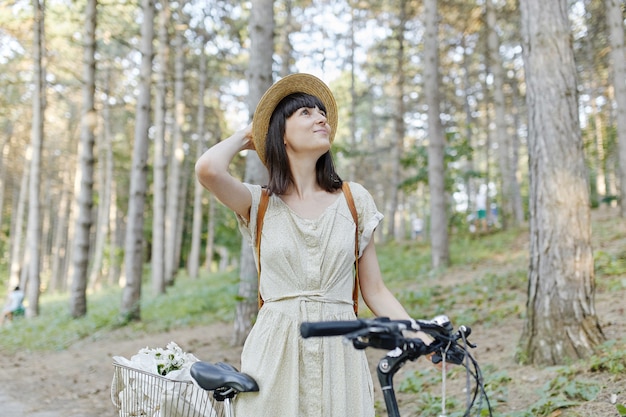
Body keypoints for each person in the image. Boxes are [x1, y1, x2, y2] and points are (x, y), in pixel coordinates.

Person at [195, 73, 429, 416]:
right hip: (275, 351)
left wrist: (420, 335)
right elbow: (209, 169)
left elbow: (375, 290)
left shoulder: (354, 199)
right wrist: (251, 133)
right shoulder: (258, 203)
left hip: (340, 348)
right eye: (305, 113)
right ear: (281, 134)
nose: (321, 118)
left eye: (322, 114)